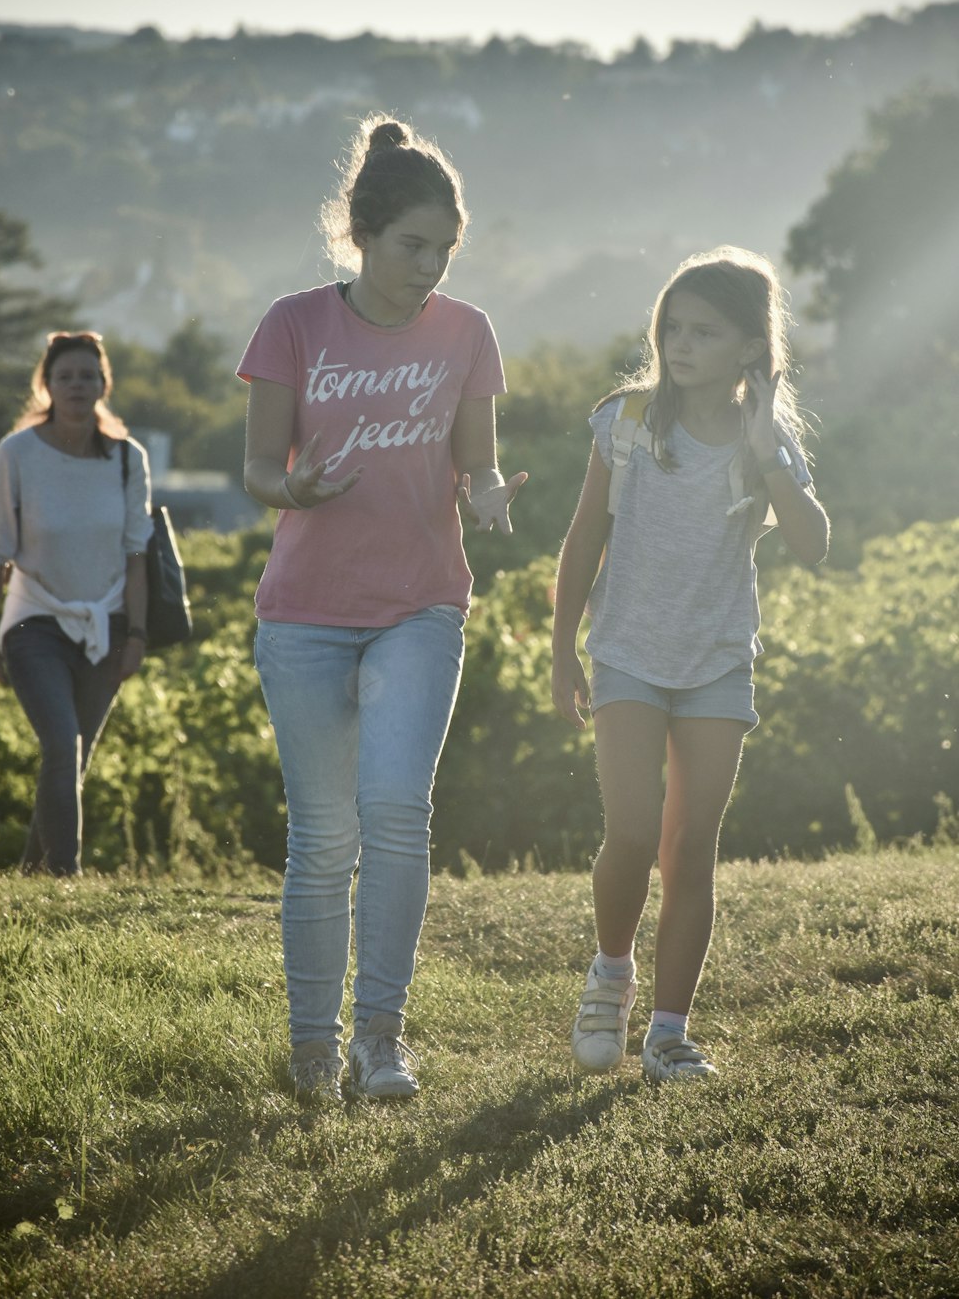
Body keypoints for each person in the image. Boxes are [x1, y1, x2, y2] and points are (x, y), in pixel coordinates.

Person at [239, 116, 526, 1106]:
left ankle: (381, 1040)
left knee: (396, 808)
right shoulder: (292, 323)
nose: (431, 267)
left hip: (420, 602)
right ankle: (312, 1045)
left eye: (445, 249)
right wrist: (294, 488)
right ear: (361, 231)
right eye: (414, 246)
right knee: (323, 837)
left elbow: (477, 457)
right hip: (306, 612)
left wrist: (486, 492)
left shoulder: (467, 333)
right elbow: (255, 470)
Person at [552, 247, 829, 1083]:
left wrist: (768, 450)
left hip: (715, 666)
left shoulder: (765, 444)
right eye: (673, 325)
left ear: (752, 346)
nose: (681, 341)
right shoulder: (627, 421)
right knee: (632, 833)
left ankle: (669, 1033)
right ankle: (610, 974)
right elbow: (582, 540)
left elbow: (814, 547)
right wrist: (564, 647)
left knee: (690, 849)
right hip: (629, 654)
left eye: (705, 330)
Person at [0, 331, 151, 876]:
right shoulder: (17, 454)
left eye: (88, 376)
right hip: (35, 624)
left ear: (103, 385)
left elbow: (137, 554)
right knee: (61, 745)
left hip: (108, 627)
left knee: (70, 759)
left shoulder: (126, 459)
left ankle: (32, 875)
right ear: (46, 385)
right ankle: (66, 877)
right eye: (65, 376)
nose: (77, 385)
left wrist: (137, 637)